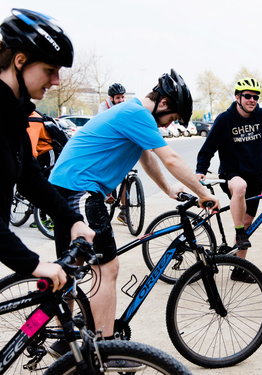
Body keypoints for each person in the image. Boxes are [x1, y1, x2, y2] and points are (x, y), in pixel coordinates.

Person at [49, 69, 219, 356]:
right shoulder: (137, 114)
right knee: (107, 269)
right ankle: (105, 347)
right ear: (164, 104)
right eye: (172, 119)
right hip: (79, 191)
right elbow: (171, 158)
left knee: (71, 269)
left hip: (68, 189)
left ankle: (63, 337)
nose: (168, 126)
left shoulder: (132, 113)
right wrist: (204, 193)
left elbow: (148, 157)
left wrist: (168, 189)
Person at [0, 8, 95, 290]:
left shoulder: (14, 113)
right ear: (20, 61)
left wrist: (72, 220)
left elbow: (29, 178)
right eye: (50, 70)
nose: (56, 81)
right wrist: (31, 263)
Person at [196, 77, 262, 283]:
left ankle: (238, 269)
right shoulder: (224, 120)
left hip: (256, 176)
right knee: (240, 187)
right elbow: (208, 148)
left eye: (255, 97)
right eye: (247, 96)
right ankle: (238, 233)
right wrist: (200, 170)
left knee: (248, 222)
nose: (252, 100)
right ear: (237, 97)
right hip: (232, 173)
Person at [98, 83, 128, 223]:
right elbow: (103, 124)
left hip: (121, 141)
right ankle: (107, 192)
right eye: (118, 98)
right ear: (111, 98)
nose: (121, 100)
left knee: (124, 176)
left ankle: (124, 211)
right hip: (106, 140)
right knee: (107, 168)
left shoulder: (125, 106)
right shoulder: (104, 107)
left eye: (122, 97)